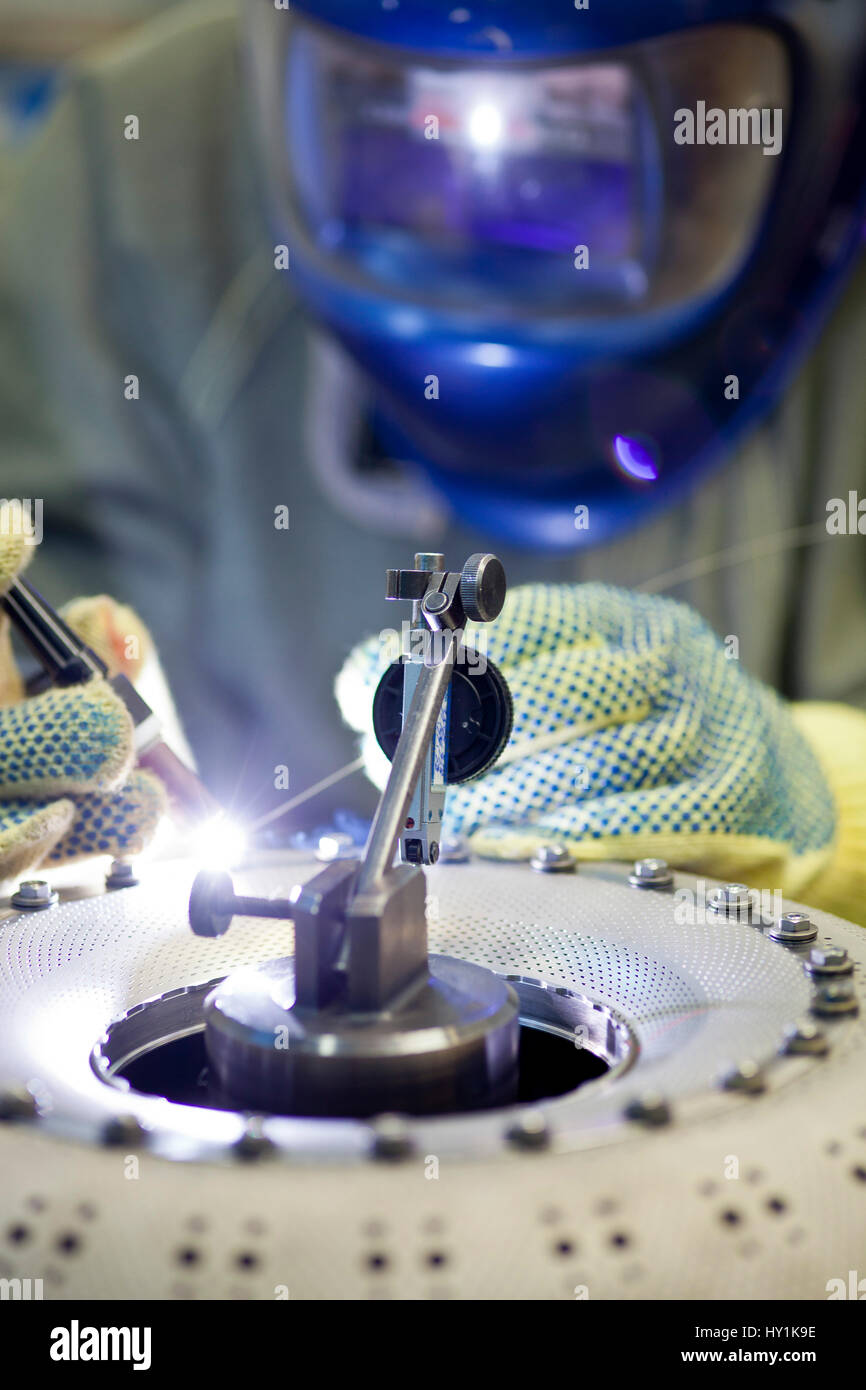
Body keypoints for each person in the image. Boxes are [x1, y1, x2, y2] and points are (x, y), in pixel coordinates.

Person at [0, 0, 864, 921]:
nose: (491, 196)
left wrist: (833, 807)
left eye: (575, 134)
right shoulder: (127, 177)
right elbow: (44, 604)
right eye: (413, 125)